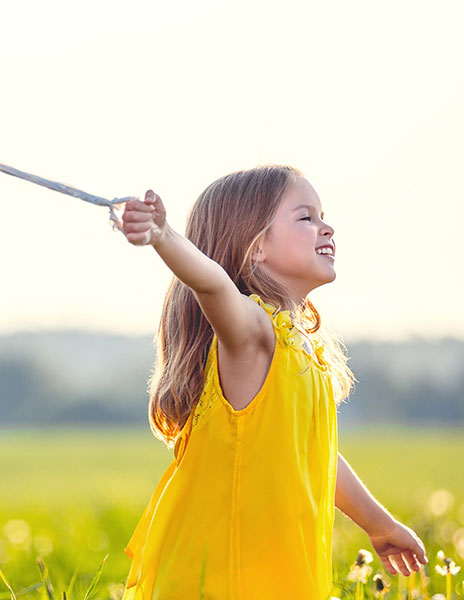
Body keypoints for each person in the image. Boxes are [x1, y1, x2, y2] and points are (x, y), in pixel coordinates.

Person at [117, 165, 428, 599]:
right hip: (225, 575)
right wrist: (164, 236)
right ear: (257, 246)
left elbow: (319, 455)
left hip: (280, 570)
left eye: (322, 215)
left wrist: (380, 524)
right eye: (306, 218)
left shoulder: (301, 350)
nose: (327, 227)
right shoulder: (255, 335)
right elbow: (212, 285)